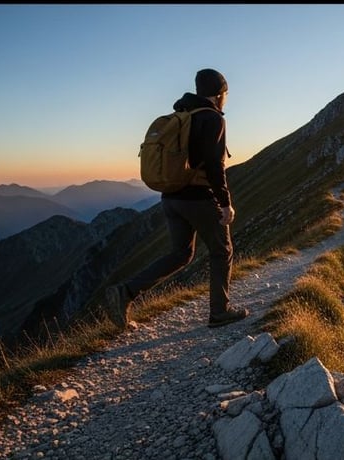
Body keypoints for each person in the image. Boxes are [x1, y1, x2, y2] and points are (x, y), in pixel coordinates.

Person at [105, 68, 248, 330]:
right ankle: (220, 311)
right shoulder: (213, 119)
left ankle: (126, 291)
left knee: (181, 253)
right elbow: (216, 166)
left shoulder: (182, 115)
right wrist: (226, 203)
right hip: (199, 199)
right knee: (222, 251)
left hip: (170, 198)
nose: (226, 98)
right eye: (226, 94)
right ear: (219, 94)